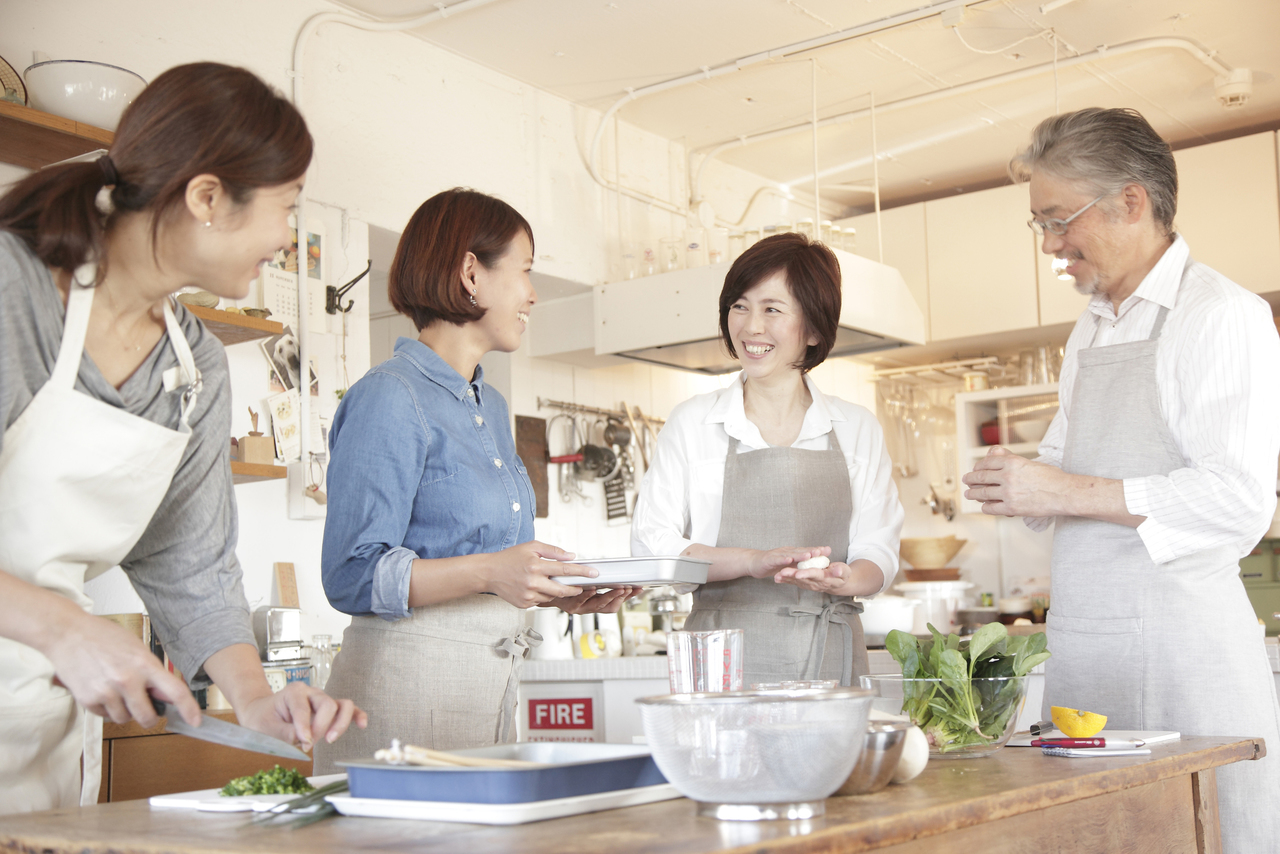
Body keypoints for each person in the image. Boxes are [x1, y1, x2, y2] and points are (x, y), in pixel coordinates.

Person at [0, 63, 366, 814]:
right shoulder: (15, 291)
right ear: (207, 197)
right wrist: (65, 627)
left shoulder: (192, 363)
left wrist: (256, 701)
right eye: (286, 207)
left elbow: (189, 562)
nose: (286, 238)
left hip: (36, 729)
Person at [962, 107, 1280, 852]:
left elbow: (1239, 502)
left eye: (1058, 220)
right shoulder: (1092, 327)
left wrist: (1061, 492)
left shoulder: (1220, 316)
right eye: (1037, 226)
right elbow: (1066, 467)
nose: (1050, 247)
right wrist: (1017, 484)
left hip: (1183, 660)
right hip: (1086, 657)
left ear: (1130, 202)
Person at [315, 188, 636, 772]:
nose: (533, 294)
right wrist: (493, 570)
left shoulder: (489, 403)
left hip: (486, 686)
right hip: (402, 696)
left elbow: (487, 563)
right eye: (525, 271)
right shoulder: (390, 396)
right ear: (471, 273)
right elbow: (351, 573)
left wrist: (558, 587)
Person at [631, 233, 903, 688]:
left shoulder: (857, 427)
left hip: (829, 657)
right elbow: (652, 546)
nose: (751, 326)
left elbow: (879, 548)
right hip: (719, 660)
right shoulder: (694, 422)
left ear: (814, 328)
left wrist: (848, 578)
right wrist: (752, 561)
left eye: (772, 309)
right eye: (740, 306)